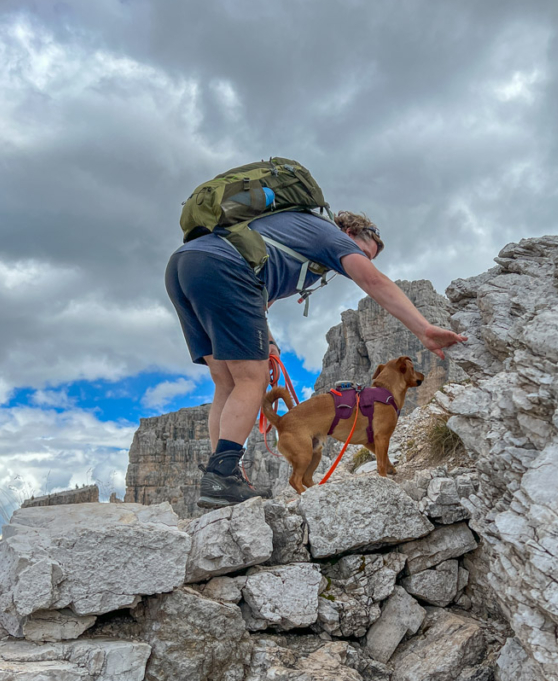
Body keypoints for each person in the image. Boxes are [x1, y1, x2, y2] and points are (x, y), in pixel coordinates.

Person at [165, 208, 466, 507]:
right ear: (350, 234)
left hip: (185, 266)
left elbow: (260, 301)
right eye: (364, 252)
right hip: (224, 268)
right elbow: (373, 282)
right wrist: (423, 329)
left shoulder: (296, 236)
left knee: (227, 381)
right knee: (250, 381)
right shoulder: (329, 236)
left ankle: (220, 477)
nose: (363, 260)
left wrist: (269, 343)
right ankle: (222, 477)